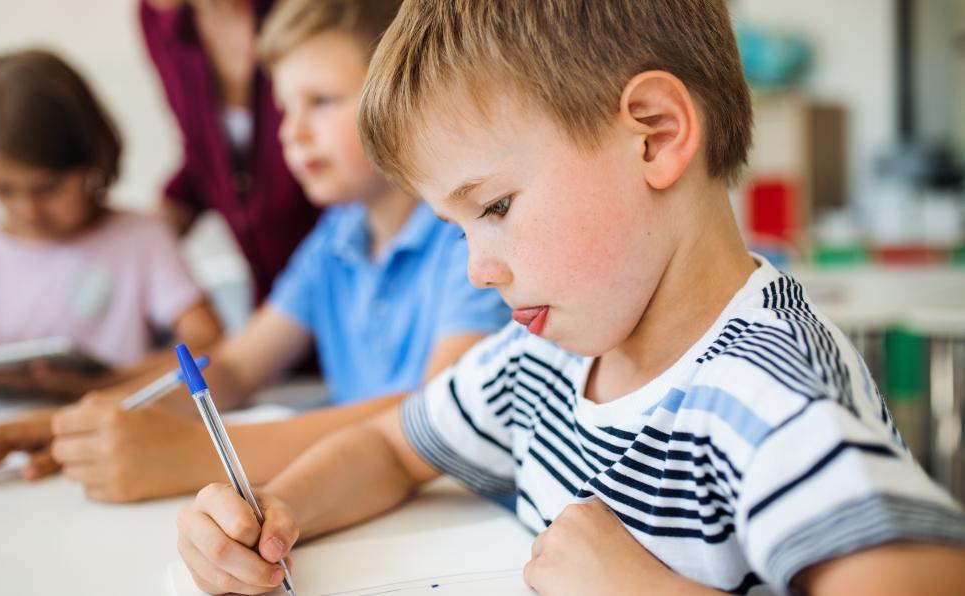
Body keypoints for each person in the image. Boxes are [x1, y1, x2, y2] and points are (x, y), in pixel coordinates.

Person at [175, 1, 965, 595]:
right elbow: (390, 448)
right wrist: (272, 513)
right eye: (456, 229)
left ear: (653, 135)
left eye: (493, 209)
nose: (479, 270)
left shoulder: (769, 396)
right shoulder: (540, 358)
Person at [0, 0, 510, 504]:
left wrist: (191, 454)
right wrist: (68, 424)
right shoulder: (333, 240)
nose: (292, 133)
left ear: (398, 98)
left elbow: (434, 413)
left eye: (321, 101)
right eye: (285, 107)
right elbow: (231, 368)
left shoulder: (461, 236)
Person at [0, 49, 221, 401]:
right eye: (2, 188)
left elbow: (209, 341)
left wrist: (107, 381)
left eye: (48, 188)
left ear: (93, 161)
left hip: (111, 427)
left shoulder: (142, 238)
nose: (27, 209)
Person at [141, 0, 318, 305]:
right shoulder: (159, 20)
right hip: (273, 295)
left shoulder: (311, 13)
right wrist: (136, 241)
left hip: (337, 272)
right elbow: (203, 157)